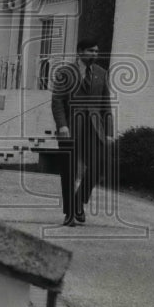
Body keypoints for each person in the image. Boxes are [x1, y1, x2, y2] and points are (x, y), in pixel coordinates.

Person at [50, 37, 112, 226]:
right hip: (70, 127)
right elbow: (57, 101)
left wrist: (108, 131)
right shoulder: (65, 72)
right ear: (80, 52)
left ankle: (78, 201)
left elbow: (106, 105)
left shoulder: (101, 73)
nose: (95, 54)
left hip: (94, 128)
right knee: (68, 171)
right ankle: (69, 214)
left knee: (98, 165)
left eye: (96, 51)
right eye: (91, 51)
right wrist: (62, 125)